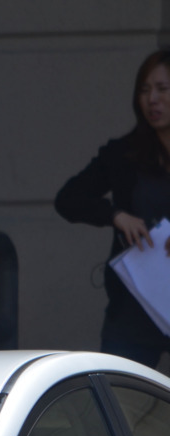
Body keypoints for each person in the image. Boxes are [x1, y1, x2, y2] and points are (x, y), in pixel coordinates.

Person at [56, 48, 170, 367]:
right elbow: (68, 199)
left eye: (162, 89)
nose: (153, 100)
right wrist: (115, 215)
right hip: (135, 304)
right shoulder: (124, 154)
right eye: (145, 90)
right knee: (122, 403)